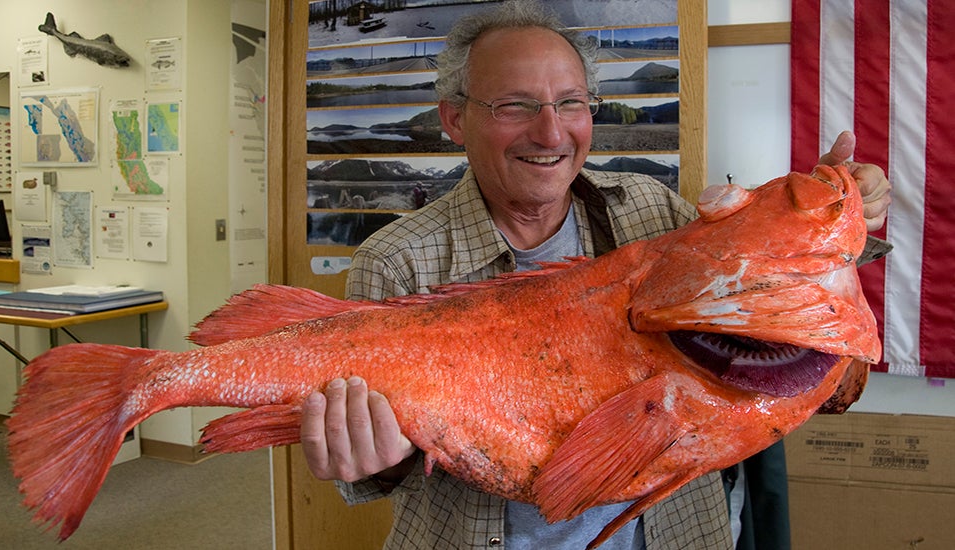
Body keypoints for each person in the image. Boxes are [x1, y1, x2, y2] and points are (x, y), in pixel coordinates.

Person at [298, 1, 892, 548]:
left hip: (675, 534)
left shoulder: (654, 211)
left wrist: (843, 233)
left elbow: (774, 315)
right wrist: (372, 453)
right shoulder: (396, 259)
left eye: (572, 103)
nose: (551, 132)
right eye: (515, 105)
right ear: (453, 119)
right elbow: (371, 476)